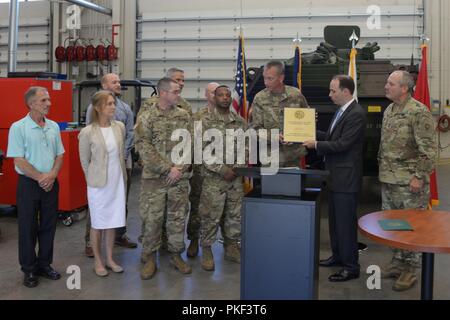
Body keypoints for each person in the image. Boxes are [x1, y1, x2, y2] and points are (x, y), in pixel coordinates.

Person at [303, 75, 366, 282]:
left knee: (345, 224)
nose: (329, 94)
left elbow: (343, 144)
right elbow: (332, 137)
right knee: (335, 222)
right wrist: (309, 132)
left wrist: (316, 145)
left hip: (346, 178)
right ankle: (338, 256)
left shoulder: (355, 114)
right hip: (335, 176)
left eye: (333, 91)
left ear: (346, 92)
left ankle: (351, 266)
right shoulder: (342, 111)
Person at [378, 70, 436, 291]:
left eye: (391, 83)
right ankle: (397, 262)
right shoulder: (390, 110)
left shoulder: (418, 112)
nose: (386, 86)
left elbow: (428, 150)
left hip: (410, 183)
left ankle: (410, 270)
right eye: (387, 82)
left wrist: (419, 176)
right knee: (393, 225)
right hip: (390, 180)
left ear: (404, 88)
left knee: (412, 227)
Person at [7, 86, 65, 288]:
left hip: (50, 183)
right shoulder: (18, 128)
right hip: (29, 185)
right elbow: (18, 159)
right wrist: (41, 177)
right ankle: (29, 269)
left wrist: (52, 175)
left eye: (48, 100)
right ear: (31, 104)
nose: (49, 104)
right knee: (27, 228)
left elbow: (59, 154)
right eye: (43, 101)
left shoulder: (54, 127)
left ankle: (44, 265)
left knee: (49, 226)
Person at [135, 77, 192, 279]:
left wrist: (180, 169)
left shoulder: (184, 116)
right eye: (175, 91)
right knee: (152, 219)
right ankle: (149, 256)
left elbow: (189, 145)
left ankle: (176, 255)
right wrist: (168, 169)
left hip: (179, 179)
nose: (179, 94)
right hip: (155, 179)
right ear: (163, 93)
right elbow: (143, 147)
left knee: (177, 219)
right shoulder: (147, 117)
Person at [84, 73, 137, 257]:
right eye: (114, 82)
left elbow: (130, 132)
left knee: (121, 200)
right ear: (103, 84)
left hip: (123, 162)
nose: (118, 84)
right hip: (101, 165)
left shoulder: (124, 108)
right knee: (97, 205)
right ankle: (91, 242)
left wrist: (122, 155)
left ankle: (119, 235)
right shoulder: (94, 107)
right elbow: (90, 138)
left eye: (119, 81)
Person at [198, 85, 247, 271]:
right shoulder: (205, 122)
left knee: (234, 215)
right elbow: (201, 151)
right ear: (214, 98)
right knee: (210, 216)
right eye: (221, 95)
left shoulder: (240, 122)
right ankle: (207, 249)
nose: (225, 98)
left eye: (228, 95)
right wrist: (222, 169)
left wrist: (236, 168)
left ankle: (231, 247)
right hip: (214, 179)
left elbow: (246, 147)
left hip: (235, 179)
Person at [79, 90, 127, 277]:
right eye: (109, 104)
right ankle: (98, 261)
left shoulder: (119, 127)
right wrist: (92, 181)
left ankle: (109, 259)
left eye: (113, 103)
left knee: (112, 222)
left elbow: (121, 155)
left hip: (117, 182)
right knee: (98, 223)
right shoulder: (87, 132)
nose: (113, 107)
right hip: (98, 185)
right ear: (98, 108)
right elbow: (85, 161)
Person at [251, 60, 309, 167]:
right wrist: (274, 137)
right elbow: (255, 129)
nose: (266, 82)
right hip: (270, 157)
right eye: (264, 78)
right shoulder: (259, 98)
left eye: (270, 78)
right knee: (272, 184)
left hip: (294, 156)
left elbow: (306, 120)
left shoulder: (295, 94)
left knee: (293, 184)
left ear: (281, 78)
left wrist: (311, 120)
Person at [186, 82, 220, 258]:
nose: (216, 95)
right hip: (201, 171)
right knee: (197, 206)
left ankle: (214, 244)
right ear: (206, 95)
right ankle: (193, 240)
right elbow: (191, 143)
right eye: (213, 92)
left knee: (219, 208)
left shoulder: (230, 115)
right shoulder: (197, 117)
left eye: (218, 92)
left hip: (222, 171)